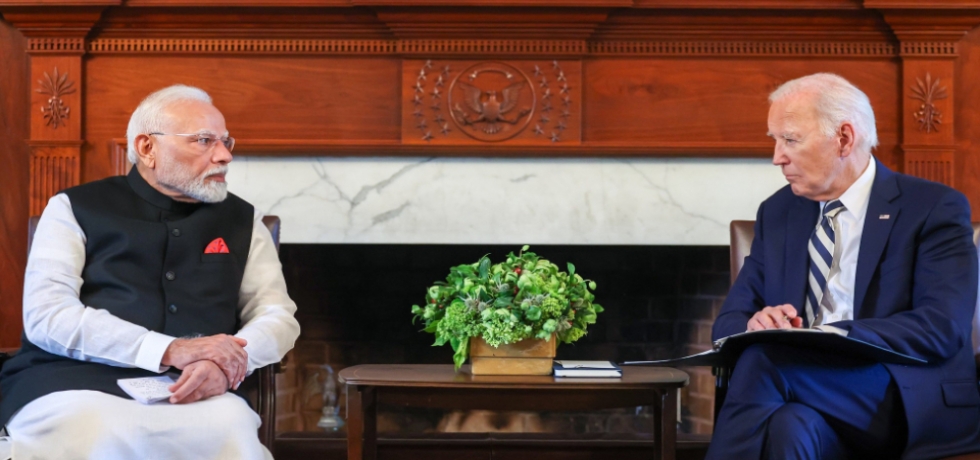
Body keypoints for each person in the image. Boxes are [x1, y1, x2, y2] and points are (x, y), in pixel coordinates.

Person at [0, 85, 300, 459]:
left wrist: (223, 365)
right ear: (147, 148)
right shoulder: (72, 208)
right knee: (92, 425)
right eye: (204, 141)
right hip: (68, 381)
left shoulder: (243, 219)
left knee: (229, 425)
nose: (224, 156)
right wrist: (170, 349)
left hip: (192, 387)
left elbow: (277, 316)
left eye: (225, 141)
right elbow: (48, 317)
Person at [708, 73, 980, 459]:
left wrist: (830, 336)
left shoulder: (933, 207)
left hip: (904, 395)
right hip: (804, 391)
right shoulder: (779, 212)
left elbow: (942, 328)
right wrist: (755, 324)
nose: (776, 157)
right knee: (790, 426)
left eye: (790, 139)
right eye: (775, 140)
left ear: (844, 139)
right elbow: (727, 323)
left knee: (765, 362)